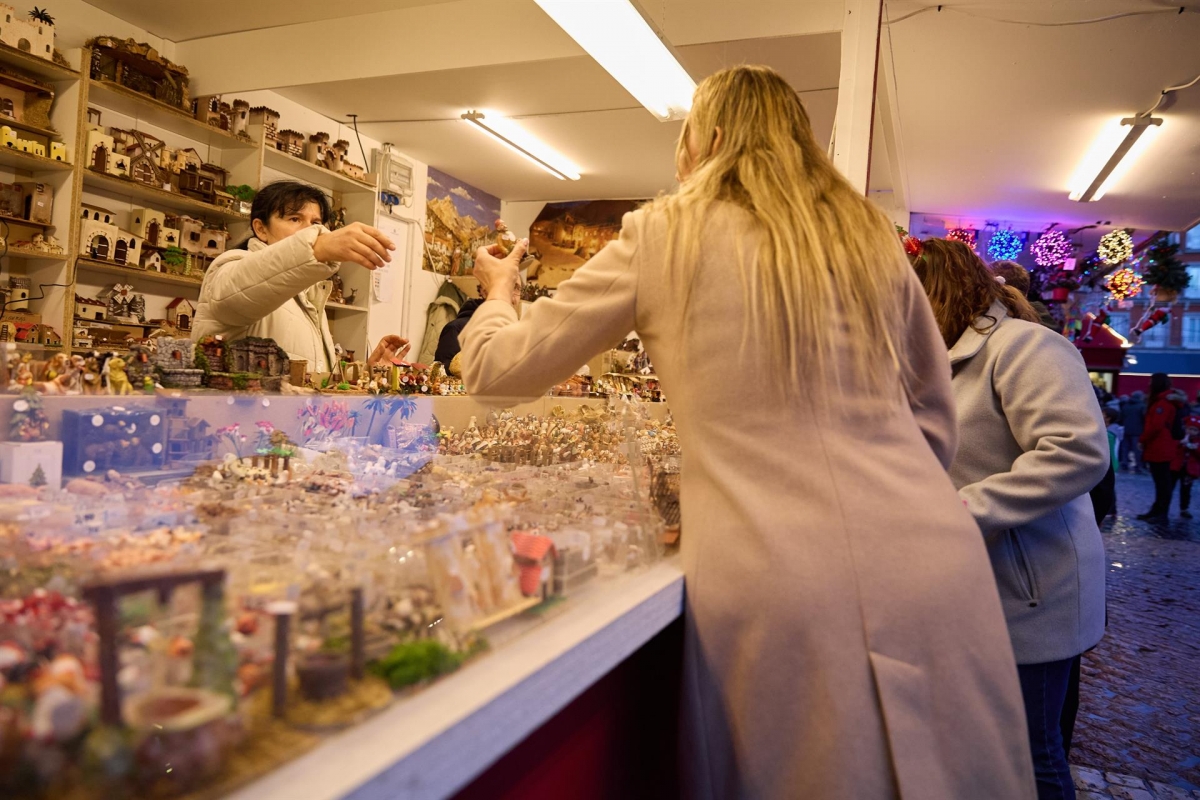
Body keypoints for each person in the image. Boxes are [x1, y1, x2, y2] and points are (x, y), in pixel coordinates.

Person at [462, 65, 1034, 799]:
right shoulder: (869, 237)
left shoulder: (666, 230)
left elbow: (496, 372)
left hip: (775, 575)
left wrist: (499, 296)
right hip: (931, 560)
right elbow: (931, 417)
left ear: (710, 139)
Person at [914, 237, 1108, 800]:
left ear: (937, 292)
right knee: (979, 752)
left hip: (1031, 590)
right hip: (969, 586)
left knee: (1031, 753)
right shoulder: (933, 359)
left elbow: (1076, 451)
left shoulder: (1024, 348)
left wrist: (957, 512)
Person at [193, 180, 409, 372]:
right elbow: (236, 292)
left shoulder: (309, 295)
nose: (309, 230)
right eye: (295, 219)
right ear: (260, 229)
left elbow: (312, 377)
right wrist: (314, 248)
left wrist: (369, 373)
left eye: (316, 224)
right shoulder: (229, 266)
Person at [1139, 373, 1178, 521]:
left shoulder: (1162, 403)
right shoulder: (1164, 401)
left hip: (1160, 446)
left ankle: (1160, 512)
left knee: (1162, 482)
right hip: (1161, 445)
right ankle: (1158, 510)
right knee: (1162, 482)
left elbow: (1156, 426)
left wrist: (1143, 439)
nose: (1149, 384)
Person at [1170, 414, 1200, 519]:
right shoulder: (1179, 437)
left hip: (1189, 470)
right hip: (1176, 467)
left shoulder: (1198, 441)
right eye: (1189, 429)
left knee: (1186, 490)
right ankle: (1164, 506)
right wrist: (1179, 444)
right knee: (1170, 487)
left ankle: (1184, 508)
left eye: (1194, 430)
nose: (1191, 432)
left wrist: (1193, 448)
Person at [1120, 391, 1147, 472]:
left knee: (1125, 448)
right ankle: (1138, 466)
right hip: (1138, 430)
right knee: (1137, 450)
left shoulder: (1126, 405)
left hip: (1126, 429)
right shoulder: (1142, 406)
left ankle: (1124, 464)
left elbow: (1121, 417)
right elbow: (1145, 419)